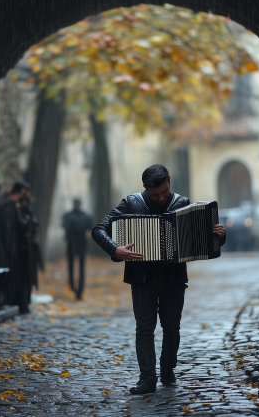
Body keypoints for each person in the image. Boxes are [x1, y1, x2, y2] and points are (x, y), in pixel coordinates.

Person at [92, 164, 226, 394]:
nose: (162, 197)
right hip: (142, 277)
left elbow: (204, 241)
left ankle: (167, 369)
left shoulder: (183, 204)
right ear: (144, 187)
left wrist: (220, 236)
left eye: (165, 191)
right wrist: (115, 250)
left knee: (172, 327)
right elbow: (98, 229)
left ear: (169, 180)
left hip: (174, 277)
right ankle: (147, 378)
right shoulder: (130, 203)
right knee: (145, 327)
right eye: (156, 194)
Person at [0, 180, 43, 313]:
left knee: (25, 279)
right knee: (13, 279)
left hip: (25, 253)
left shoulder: (25, 207)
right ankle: (14, 303)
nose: (28, 196)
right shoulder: (6, 207)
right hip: (11, 253)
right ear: (20, 192)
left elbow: (33, 225)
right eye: (25, 193)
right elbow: (7, 231)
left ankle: (23, 304)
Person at [62, 199, 93, 300]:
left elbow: (89, 229)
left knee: (80, 267)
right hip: (74, 243)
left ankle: (79, 289)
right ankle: (74, 287)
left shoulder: (70, 216)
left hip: (79, 243)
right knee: (73, 266)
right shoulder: (82, 216)